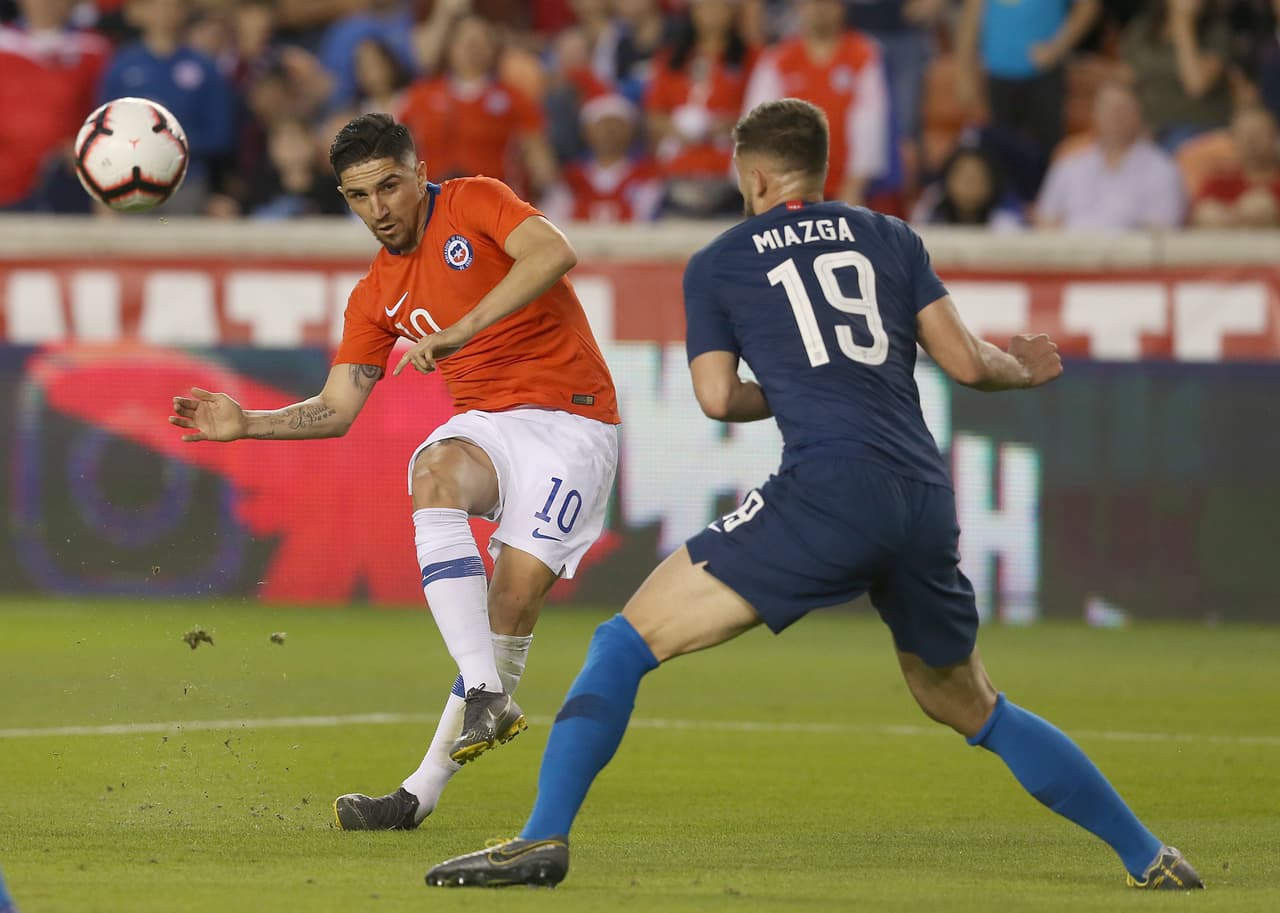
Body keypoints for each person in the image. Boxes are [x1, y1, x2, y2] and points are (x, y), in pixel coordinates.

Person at [423, 98, 1204, 893]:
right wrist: (1022, 368)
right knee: (968, 701)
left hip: (829, 486)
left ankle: (540, 837)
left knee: (621, 645)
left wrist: (796, 388)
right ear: (818, 168)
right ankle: (1150, 854)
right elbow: (968, 363)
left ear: (754, 174)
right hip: (922, 493)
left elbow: (718, 397)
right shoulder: (893, 237)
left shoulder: (722, 259)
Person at [168, 112, 621, 830]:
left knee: (513, 603)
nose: (378, 210)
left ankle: (421, 791)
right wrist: (246, 424)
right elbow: (337, 407)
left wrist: (462, 330)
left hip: (574, 422)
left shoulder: (473, 200)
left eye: (388, 186)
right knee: (432, 471)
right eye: (357, 196)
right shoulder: (374, 295)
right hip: (490, 425)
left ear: (418, 172)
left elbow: (553, 253)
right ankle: (484, 692)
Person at [743, 0, 891, 206]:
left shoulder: (863, 54)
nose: (820, 9)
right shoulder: (778, 59)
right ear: (799, 7)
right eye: (813, 3)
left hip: (844, 186)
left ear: (842, 7)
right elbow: (759, 127)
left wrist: (855, 185)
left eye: (829, 3)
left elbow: (870, 123)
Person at [1035, 80, 1184, 229]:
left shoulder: (1162, 170)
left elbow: (1163, 231)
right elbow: (1044, 223)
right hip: (1071, 249)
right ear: (1094, 114)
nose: (1114, 117)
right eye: (1108, 109)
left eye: (1122, 109)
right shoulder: (1067, 167)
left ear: (1139, 113)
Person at [1119, 0, 1233, 151]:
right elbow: (1124, 81)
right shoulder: (1142, 28)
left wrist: (1183, 23)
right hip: (1148, 128)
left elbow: (1196, 85)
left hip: (1197, 128)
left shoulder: (1216, 32)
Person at [1190, 105, 1280, 228]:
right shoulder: (1218, 181)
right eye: (1243, 134)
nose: (1250, 141)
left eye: (1258, 134)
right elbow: (1196, 217)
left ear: (1274, 137)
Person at [911, 144, 1025, 230]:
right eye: (964, 178)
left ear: (991, 184)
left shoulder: (1007, 223)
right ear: (948, 180)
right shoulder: (927, 213)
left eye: (977, 178)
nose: (970, 185)